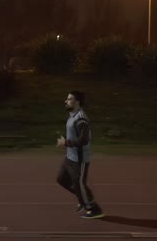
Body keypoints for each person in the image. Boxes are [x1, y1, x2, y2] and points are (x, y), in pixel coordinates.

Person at [56, 90, 104, 219]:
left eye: (69, 99)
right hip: (70, 157)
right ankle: (83, 199)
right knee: (62, 180)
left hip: (80, 159)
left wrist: (65, 142)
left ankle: (94, 209)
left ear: (77, 102)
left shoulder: (81, 119)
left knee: (80, 184)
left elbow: (84, 140)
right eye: (67, 98)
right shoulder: (72, 115)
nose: (66, 101)